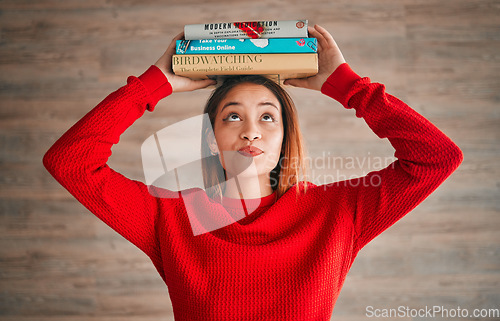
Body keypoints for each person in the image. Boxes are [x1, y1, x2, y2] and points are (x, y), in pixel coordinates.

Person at [43, 25, 463, 320]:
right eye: (231, 118)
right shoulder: (170, 217)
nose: (250, 131)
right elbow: (70, 162)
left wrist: (347, 85)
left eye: (267, 117)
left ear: (285, 135)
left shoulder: (337, 211)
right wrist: (154, 84)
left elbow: (437, 158)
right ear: (211, 139)